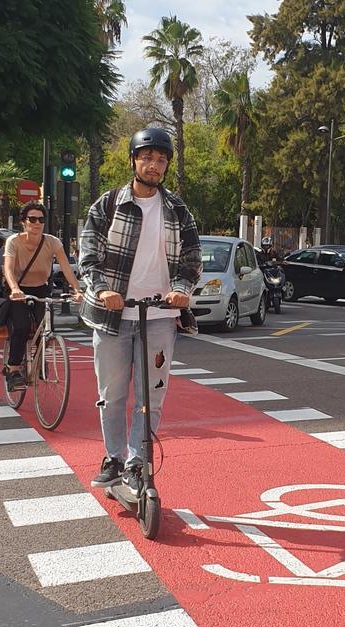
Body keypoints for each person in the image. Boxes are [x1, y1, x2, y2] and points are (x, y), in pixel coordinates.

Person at [82, 127, 202, 491]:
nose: (154, 165)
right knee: (112, 395)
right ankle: (114, 457)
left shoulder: (178, 210)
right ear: (133, 160)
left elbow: (192, 261)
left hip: (160, 316)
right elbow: (89, 256)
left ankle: (137, 462)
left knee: (152, 395)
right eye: (147, 157)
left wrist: (181, 291)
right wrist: (103, 290)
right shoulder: (106, 205)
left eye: (161, 159)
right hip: (112, 315)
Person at [2, 201, 81, 392]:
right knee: (20, 327)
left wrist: (77, 289)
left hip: (41, 288)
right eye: (32, 219)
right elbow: (8, 268)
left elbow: (66, 268)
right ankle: (13, 370)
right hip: (19, 289)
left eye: (41, 220)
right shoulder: (14, 241)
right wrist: (14, 288)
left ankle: (39, 360)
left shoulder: (52, 242)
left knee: (45, 327)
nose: (37, 223)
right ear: (23, 222)